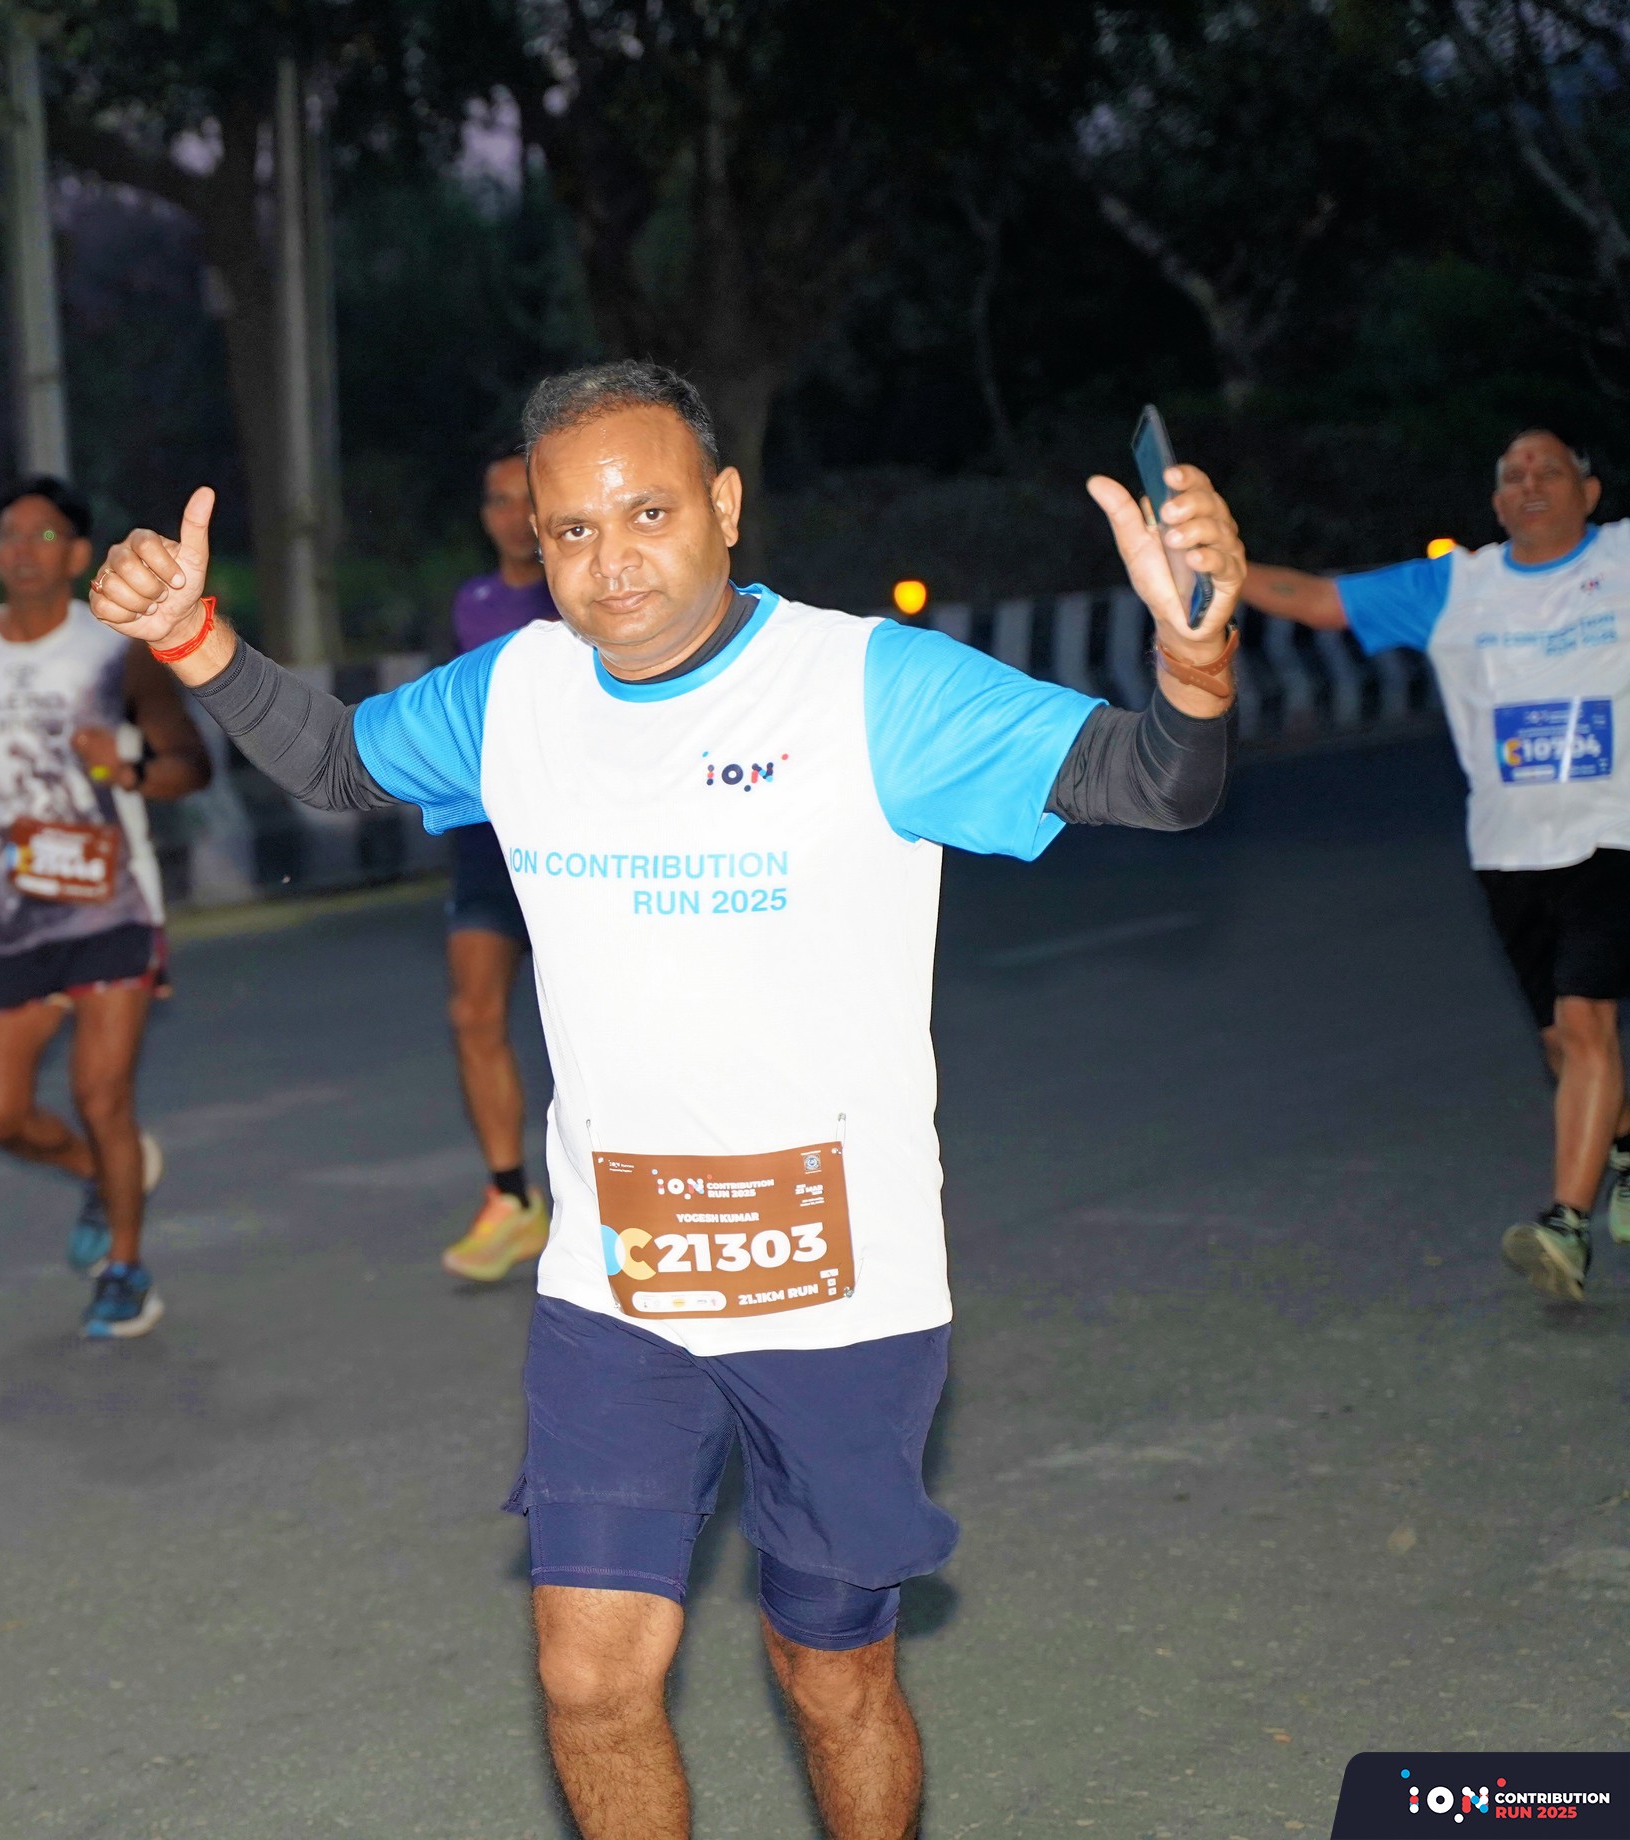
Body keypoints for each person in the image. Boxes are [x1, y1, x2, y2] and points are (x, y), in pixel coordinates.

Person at [88, 361, 1245, 1840]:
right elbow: (336, 758)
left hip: (841, 1292)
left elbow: (1157, 782)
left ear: (726, 504)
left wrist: (1195, 665)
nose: (611, 560)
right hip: (618, 1287)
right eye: (572, 530)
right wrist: (191, 636)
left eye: (648, 513)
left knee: (829, 1677)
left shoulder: (870, 687)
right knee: (589, 1680)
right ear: (537, 544)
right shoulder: (516, 693)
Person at [1243, 429, 1630, 1303]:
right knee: (1561, 1044)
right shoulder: (1457, 585)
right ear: (1496, 504)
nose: (1530, 482)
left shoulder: (1623, 561)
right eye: (1512, 474)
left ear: (1589, 492)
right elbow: (1317, 598)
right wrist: (1218, 570)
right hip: (1508, 849)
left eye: (1550, 469)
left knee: (1586, 1020)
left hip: (1614, 836)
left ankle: (1566, 1225)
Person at [0, 477, 209, 1338]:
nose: (22, 551)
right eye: (9, 536)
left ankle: (125, 1269)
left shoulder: (113, 647)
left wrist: (124, 766)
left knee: (101, 1092)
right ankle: (101, 1174)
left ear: (78, 554)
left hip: (108, 906)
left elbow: (188, 764)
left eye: (42, 536)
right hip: (8, 914)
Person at [438, 452, 563, 1283]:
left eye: (532, 500)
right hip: (489, 837)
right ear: (485, 515)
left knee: (601, 1020)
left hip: (580, 838)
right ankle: (512, 1198)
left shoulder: (584, 594)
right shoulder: (466, 605)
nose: (517, 516)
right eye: (501, 501)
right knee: (474, 1011)